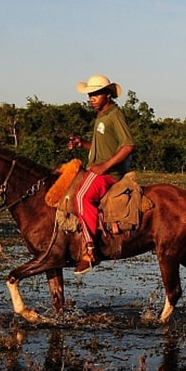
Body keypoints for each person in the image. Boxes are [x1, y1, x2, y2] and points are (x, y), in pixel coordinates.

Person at [66, 74, 136, 271]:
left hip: (108, 173)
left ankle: (89, 249)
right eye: (90, 95)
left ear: (108, 94)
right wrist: (82, 144)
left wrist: (104, 167)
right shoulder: (100, 117)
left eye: (96, 94)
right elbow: (101, 149)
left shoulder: (114, 115)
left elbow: (128, 145)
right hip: (98, 167)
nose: (92, 98)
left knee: (80, 197)